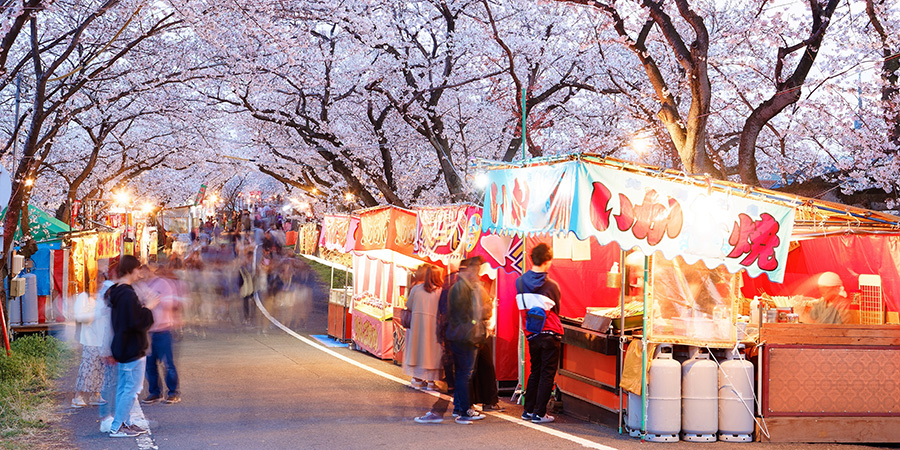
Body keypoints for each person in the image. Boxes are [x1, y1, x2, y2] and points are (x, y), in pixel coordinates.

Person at [515, 243, 563, 424]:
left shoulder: (519, 282)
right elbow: (556, 309)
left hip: (531, 333)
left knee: (535, 371)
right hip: (550, 332)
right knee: (547, 373)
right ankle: (539, 413)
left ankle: (528, 410)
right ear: (548, 260)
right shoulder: (551, 285)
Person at [108, 255, 155, 438]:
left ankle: (124, 422)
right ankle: (117, 426)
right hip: (132, 347)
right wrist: (148, 308)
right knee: (131, 389)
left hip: (122, 345)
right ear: (130, 270)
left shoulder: (116, 291)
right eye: (137, 270)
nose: (139, 274)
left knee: (124, 387)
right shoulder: (127, 294)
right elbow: (136, 322)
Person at [445, 256, 488, 424]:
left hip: (459, 335)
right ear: (469, 269)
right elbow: (464, 313)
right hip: (464, 336)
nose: (477, 273)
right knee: (465, 373)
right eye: (475, 269)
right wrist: (474, 322)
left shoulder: (460, 286)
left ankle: (460, 407)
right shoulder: (462, 288)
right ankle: (464, 411)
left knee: (463, 373)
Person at [140, 264, 184, 405]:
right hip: (148, 330)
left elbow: (170, 303)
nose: (143, 274)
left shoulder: (163, 284)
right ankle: (155, 392)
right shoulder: (140, 286)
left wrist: (153, 300)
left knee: (168, 363)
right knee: (150, 364)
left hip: (163, 329)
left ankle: (173, 392)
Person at [403, 265, 444, 392]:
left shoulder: (416, 289)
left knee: (417, 352)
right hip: (434, 327)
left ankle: (418, 380)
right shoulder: (440, 291)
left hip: (417, 326)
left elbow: (408, 304)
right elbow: (444, 309)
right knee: (432, 354)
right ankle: (431, 382)